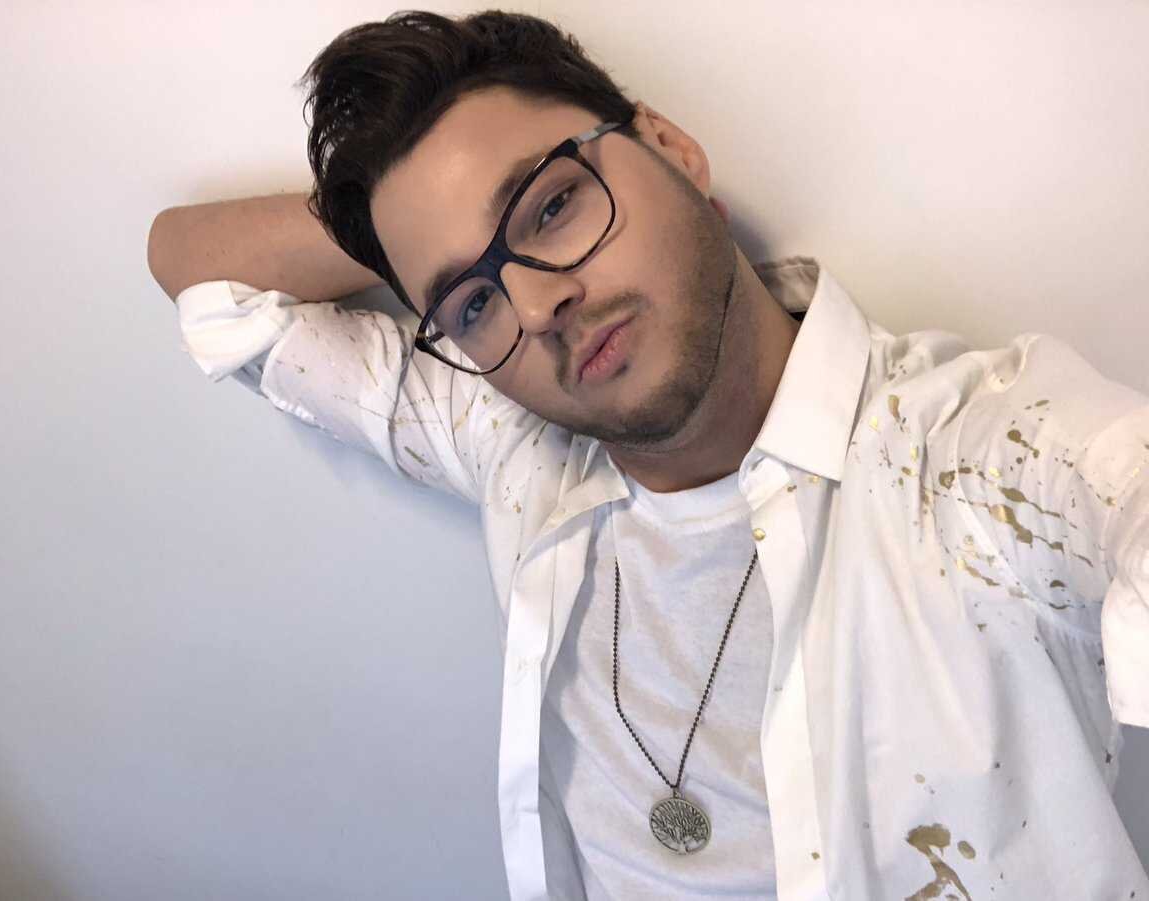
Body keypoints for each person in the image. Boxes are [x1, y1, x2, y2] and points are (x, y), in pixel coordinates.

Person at [148, 9, 1149, 900]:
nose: (539, 303)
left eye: (550, 207)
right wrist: (410, 243)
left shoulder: (982, 462)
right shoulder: (513, 448)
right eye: (474, 300)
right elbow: (192, 268)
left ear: (670, 148)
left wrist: (441, 242)